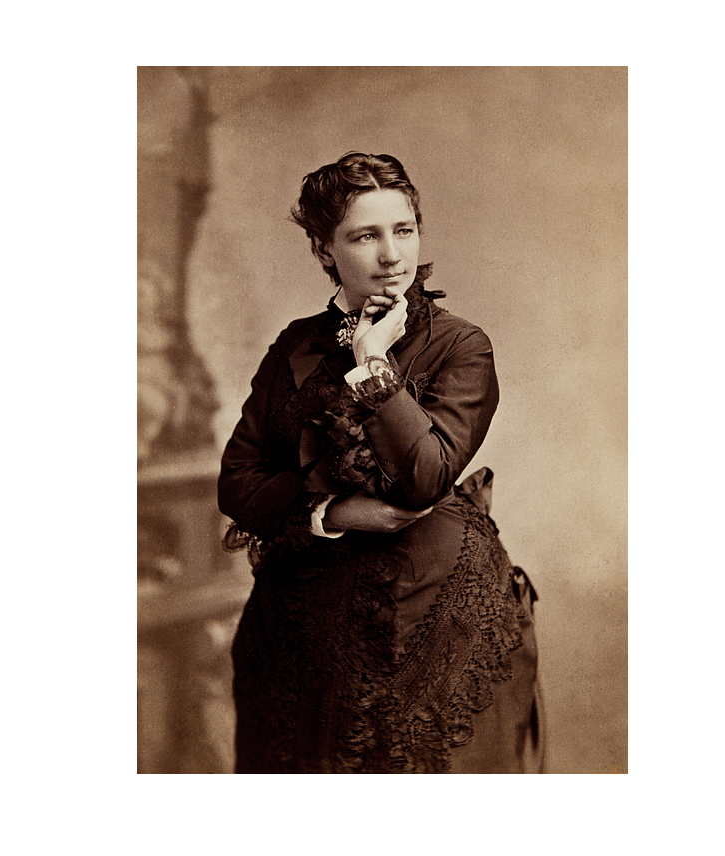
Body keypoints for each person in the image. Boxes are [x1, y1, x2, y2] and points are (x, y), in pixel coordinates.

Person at [218, 152, 543, 773]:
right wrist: (335, 512)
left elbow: (424, 479)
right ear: (324, 248)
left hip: (432, 616)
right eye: (365, 235)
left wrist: (373, 365)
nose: (393, 255)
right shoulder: (295, 346)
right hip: (304, 623)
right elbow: (237, 481)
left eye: (404, 230)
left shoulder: (460, 345)